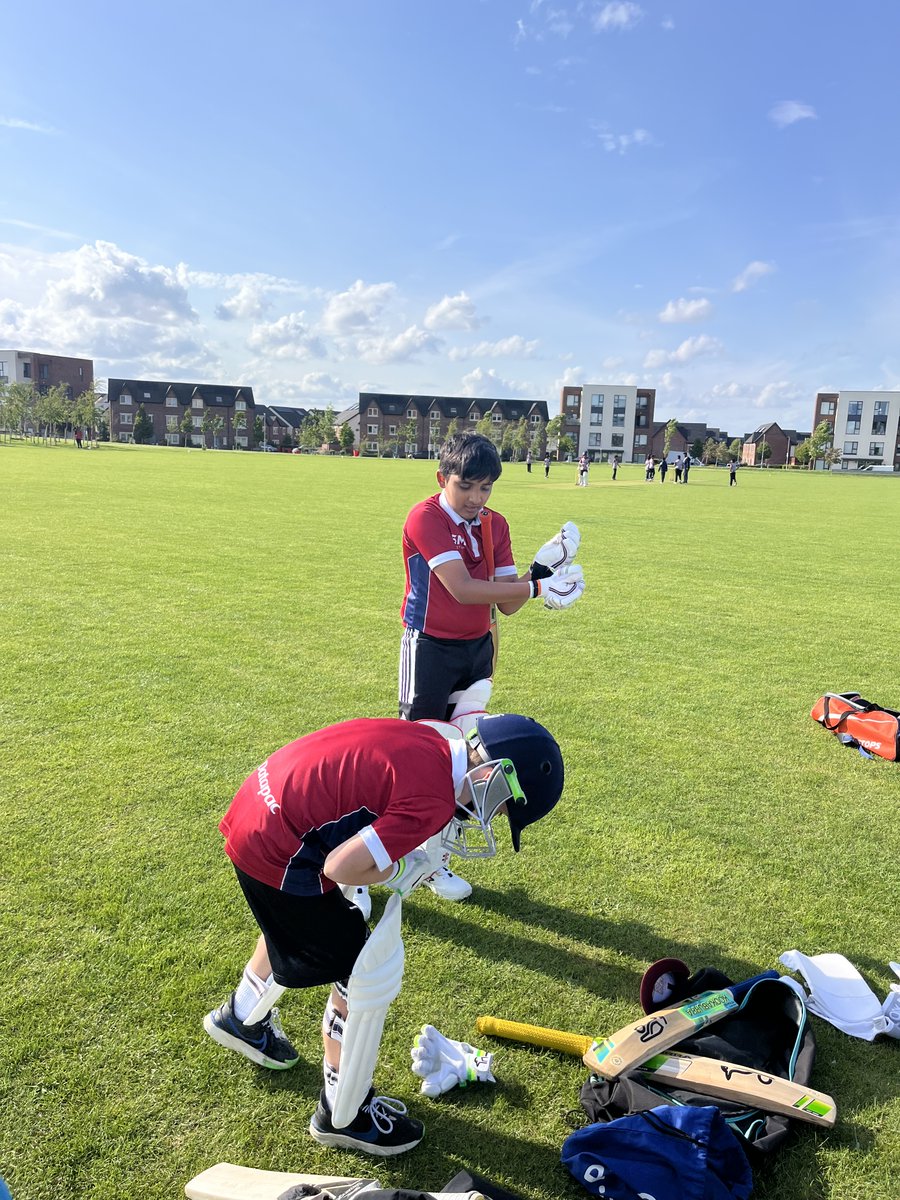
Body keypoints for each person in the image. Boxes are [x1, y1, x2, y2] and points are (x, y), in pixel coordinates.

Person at [203, 712, 565, 1156]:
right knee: (361, 972)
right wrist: (396, 868)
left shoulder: (431, 741)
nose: (491, 815)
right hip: (280, 845)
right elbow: (340, 866)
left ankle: (239, 1017)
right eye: (503, 804)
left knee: (303, 922)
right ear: (493, 772)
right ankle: (344, 1113)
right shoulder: (433, 799)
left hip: (257, 809)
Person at [396, 432, 582, 901]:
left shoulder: (494, 523)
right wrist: (537, 589)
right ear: (443, 478)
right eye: (467, 486)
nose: (477, 498)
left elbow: (508, 603)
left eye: (486, 488)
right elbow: (461, 589)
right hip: (429, 650)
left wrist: (540, 572)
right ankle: (396, 852)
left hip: (477, 649)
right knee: (421, 758)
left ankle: (435, 861)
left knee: (467, 758)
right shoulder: (426, 517)